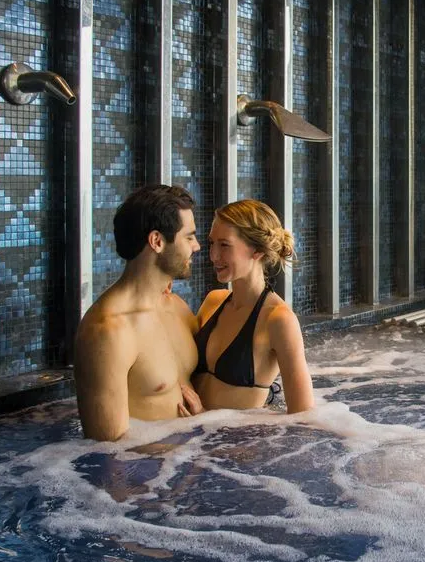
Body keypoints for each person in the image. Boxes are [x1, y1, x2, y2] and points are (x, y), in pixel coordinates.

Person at [74, 184, 202, 441]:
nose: (197, 246)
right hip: (151, 474)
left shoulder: (177, 309)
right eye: (189, 237)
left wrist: (203, 419)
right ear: (157, 241)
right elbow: (108, 452)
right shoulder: (108, 331)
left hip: (191, 460)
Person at [185, 199, 315, 415]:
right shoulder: (213, 302)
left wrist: (204, 415)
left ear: (257, 250)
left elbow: (304, 417)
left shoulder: (278, 320)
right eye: (211, 243)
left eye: (224, 245)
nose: (213, 255)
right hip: (190, 437)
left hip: (233, 443)